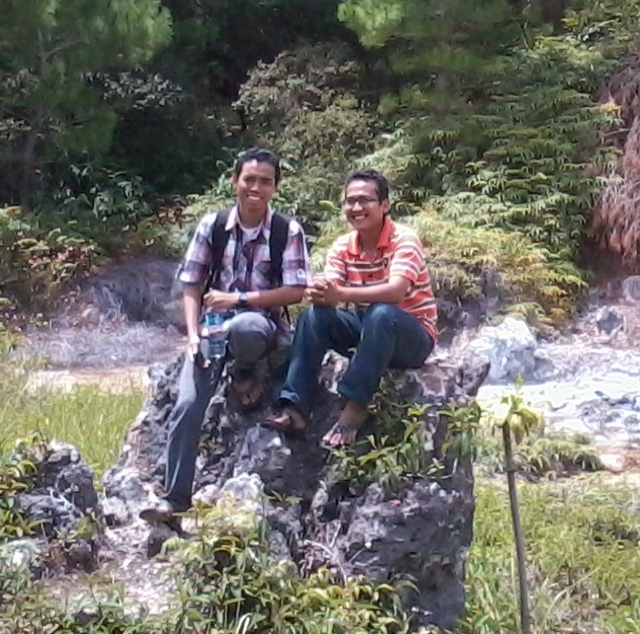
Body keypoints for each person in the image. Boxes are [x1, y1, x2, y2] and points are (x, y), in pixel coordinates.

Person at [147, 148, 309, 520]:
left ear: (275, 188)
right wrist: (192, 336)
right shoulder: (213, 225)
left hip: (261, 327)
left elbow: (296, 290)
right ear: (235, 181)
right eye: (249, 179)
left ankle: (244, 370)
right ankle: (175, 499)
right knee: (188, 404)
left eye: (265, 181)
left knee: (245, 326)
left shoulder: (286, 231)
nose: (256, 188)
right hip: (212, 331)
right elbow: (192, 283)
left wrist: (239, 299)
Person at [262, 168, 437, 448]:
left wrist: (340, 293)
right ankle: (295, 406)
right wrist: (320, 291)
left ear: (384, 205)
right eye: (350, 201)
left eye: (364, 200)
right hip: (369, 329)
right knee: (314, 316)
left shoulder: (404, 239)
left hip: (411, 335)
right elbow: (331, 287)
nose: (356, 208)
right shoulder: (343, 246)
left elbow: (396, 291)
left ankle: (355, 406)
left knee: (382, 312)